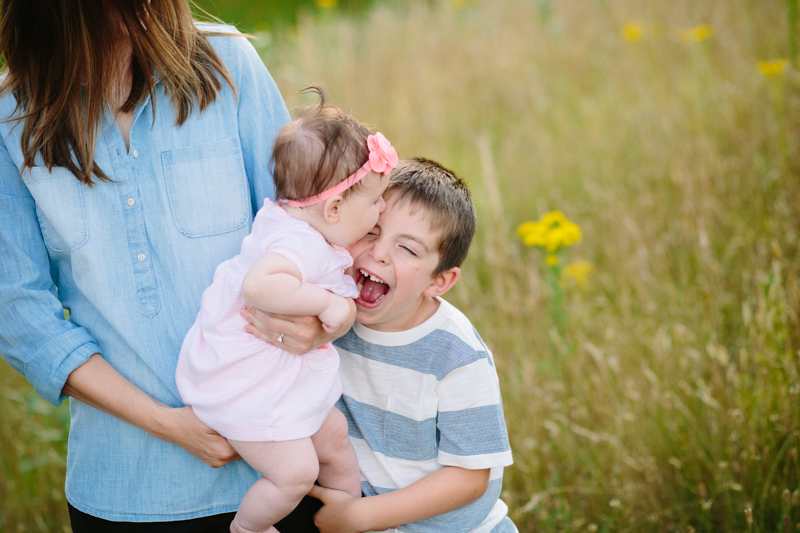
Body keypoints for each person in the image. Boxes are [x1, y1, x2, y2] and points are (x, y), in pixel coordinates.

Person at [0, 1, 347, 530]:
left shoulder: (228, 65)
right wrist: (169, 425)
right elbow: (20, 313)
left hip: (283, 468)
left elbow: (307, 222)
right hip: (125, 487)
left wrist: (318, 322)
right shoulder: (11, 117)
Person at [175, 90, 397, 533]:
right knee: (295, 472)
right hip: (244, 386)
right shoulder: (297, 243)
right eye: (375, 201)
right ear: (334, 208)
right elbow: (259, 286)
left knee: (334, 437)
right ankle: (249, 528)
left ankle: (347, 516)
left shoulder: (303, 227)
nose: (382, 208)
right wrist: (327, 302)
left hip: (275, 377)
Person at [308, 158, 517, 532]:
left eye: (407, 248)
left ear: (439, 282)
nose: (379, 252)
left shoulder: (455, 354)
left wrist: (358, 516)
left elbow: (469, 477)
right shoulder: (331, 316)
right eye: (371, 231)